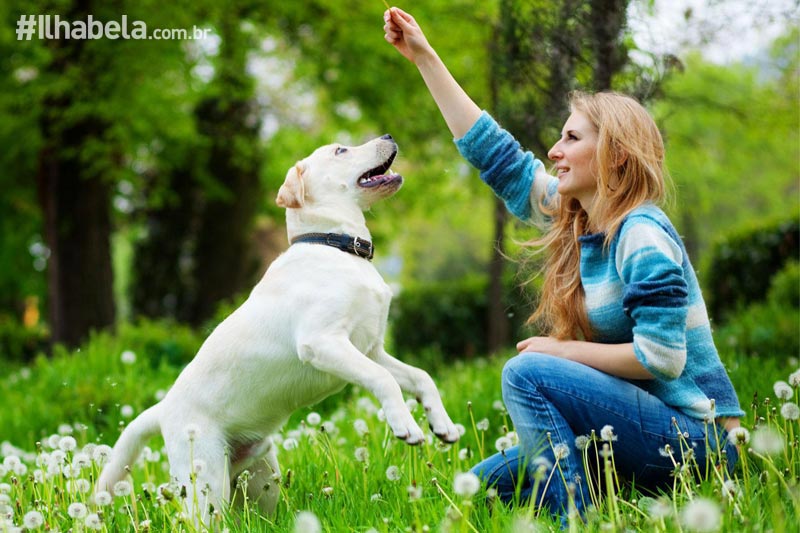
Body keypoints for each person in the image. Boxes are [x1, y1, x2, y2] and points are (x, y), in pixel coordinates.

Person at [383, 6, 743, 524]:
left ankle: (574, 518)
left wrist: (562, 351)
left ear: (615, 156)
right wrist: (424, 56)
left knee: (526, 372)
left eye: (572, 139)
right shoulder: (582, 220)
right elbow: (498, 157)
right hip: (634, 428)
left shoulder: (641, 233)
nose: (554, 150)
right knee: (481, 487)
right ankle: (582, 494)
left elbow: (662, 359)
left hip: (696, 443)